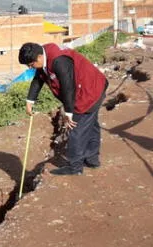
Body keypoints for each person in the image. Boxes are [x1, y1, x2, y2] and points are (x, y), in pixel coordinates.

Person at [18, 42, 108, 176]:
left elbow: (68, 87)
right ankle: (92, 159)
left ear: (39, 57)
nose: (30, 68)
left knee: (76, 129)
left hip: (90, 91)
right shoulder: (44, 55)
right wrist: (30, 100)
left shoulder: (59, 60)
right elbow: (38, 78)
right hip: (91, 86)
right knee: (91, 124)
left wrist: (69, 112)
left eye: (31, 65)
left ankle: (75, 167)